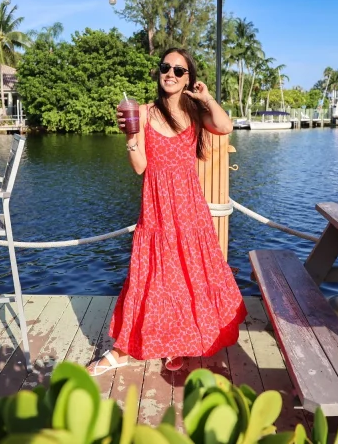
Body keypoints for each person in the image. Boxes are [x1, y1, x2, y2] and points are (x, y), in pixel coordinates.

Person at [87, 48, 247, 375]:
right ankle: (123, 349)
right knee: (150, 276)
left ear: (189, 78)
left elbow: (225, 125)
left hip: (189, 208)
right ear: (158, 72)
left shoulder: (194, 113)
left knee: (189, 277)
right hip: (157, 207)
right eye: (166, 68)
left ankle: (179, 343)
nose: (170, 74)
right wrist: (132, 136)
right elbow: (139, 166)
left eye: (179, 70)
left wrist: (207, 99)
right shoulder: (144, 112)